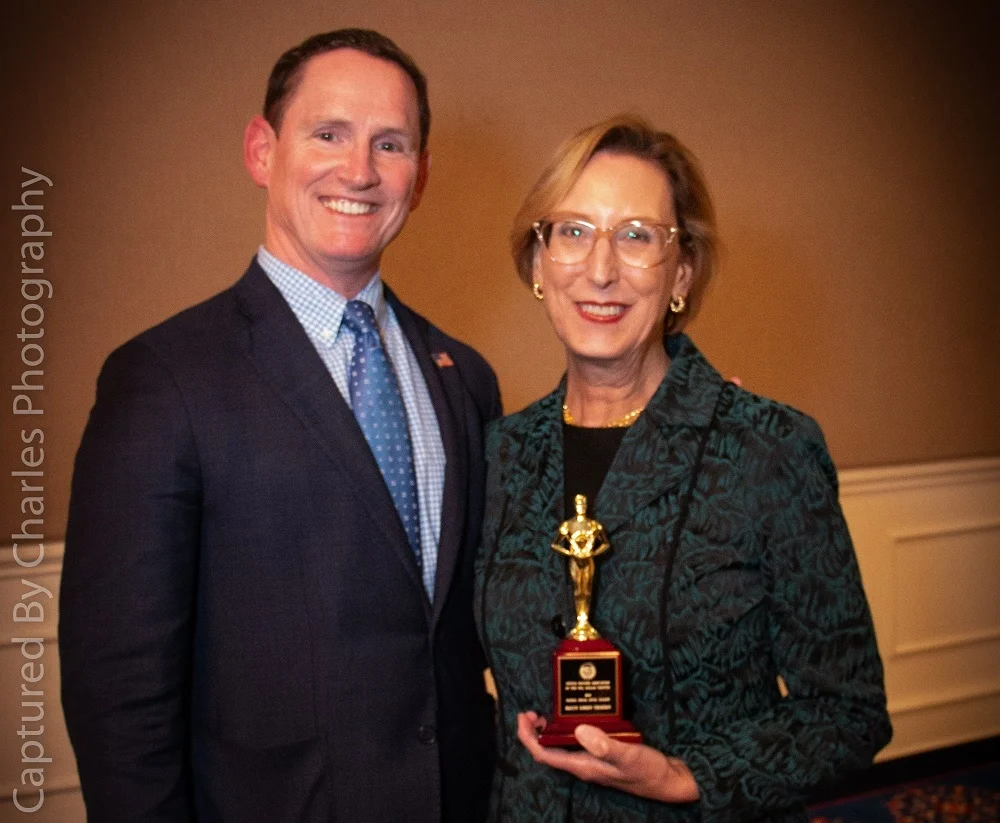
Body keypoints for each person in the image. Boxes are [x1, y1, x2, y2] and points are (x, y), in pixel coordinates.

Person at [59, 29, 499, 823]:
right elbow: (120, 697)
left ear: (421, 176)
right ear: (262, 151)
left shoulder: (464, 377)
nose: (359, 170)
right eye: (328, 134)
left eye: (390, 144)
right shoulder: (163, 380)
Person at [475, 115, 891, 822]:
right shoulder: (500, 453)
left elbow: (848, 714)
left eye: (637, 236)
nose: (600, 269)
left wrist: (684, 775)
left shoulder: (766, 449)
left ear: (683, 271)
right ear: (539, 262)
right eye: (573, 231)